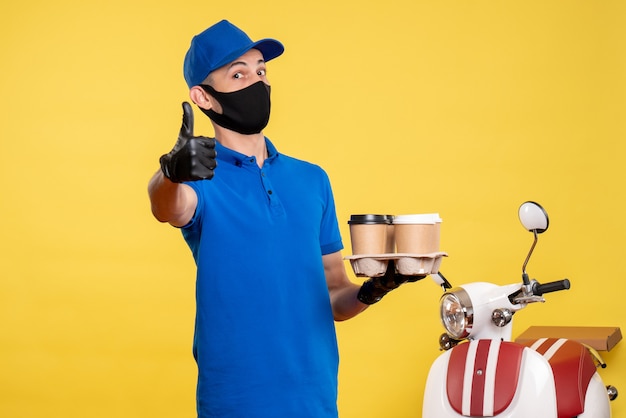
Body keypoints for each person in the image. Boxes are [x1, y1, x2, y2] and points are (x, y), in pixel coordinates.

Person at [148, 19, 423, 418]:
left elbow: (334, 297)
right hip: (235, 401)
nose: (256, 83)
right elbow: (167, 208)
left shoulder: (311, 179)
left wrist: (376, 288)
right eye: (237, 74)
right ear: (203, 97)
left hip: (314, 397)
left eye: (261, 71)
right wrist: (170, 172)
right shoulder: (199, 178)